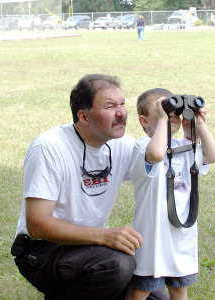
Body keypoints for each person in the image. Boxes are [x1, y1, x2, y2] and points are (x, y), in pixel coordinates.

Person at [11, 74, 169, 300]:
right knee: (119, 265)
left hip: (90, 248)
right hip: (41, 251)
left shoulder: (122, 145)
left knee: (157, 297)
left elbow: (156, 158)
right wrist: (104, 236)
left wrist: (181, 124)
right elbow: (37, 224)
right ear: (84, 116)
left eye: (123, 104)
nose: (121, 112)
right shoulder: (50, 147)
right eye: (110, 106)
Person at [126, 88, 215, 300]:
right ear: (144, 121)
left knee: (179, 290)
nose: (171, 118)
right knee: (140, 292)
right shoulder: (142, 147)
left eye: (174, 113)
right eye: (163, 112)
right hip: (152, 240)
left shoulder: (184, 147)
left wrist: (199, 124)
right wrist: (163, 120)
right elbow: (156, 154)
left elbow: (213, 156)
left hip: (180, 237)